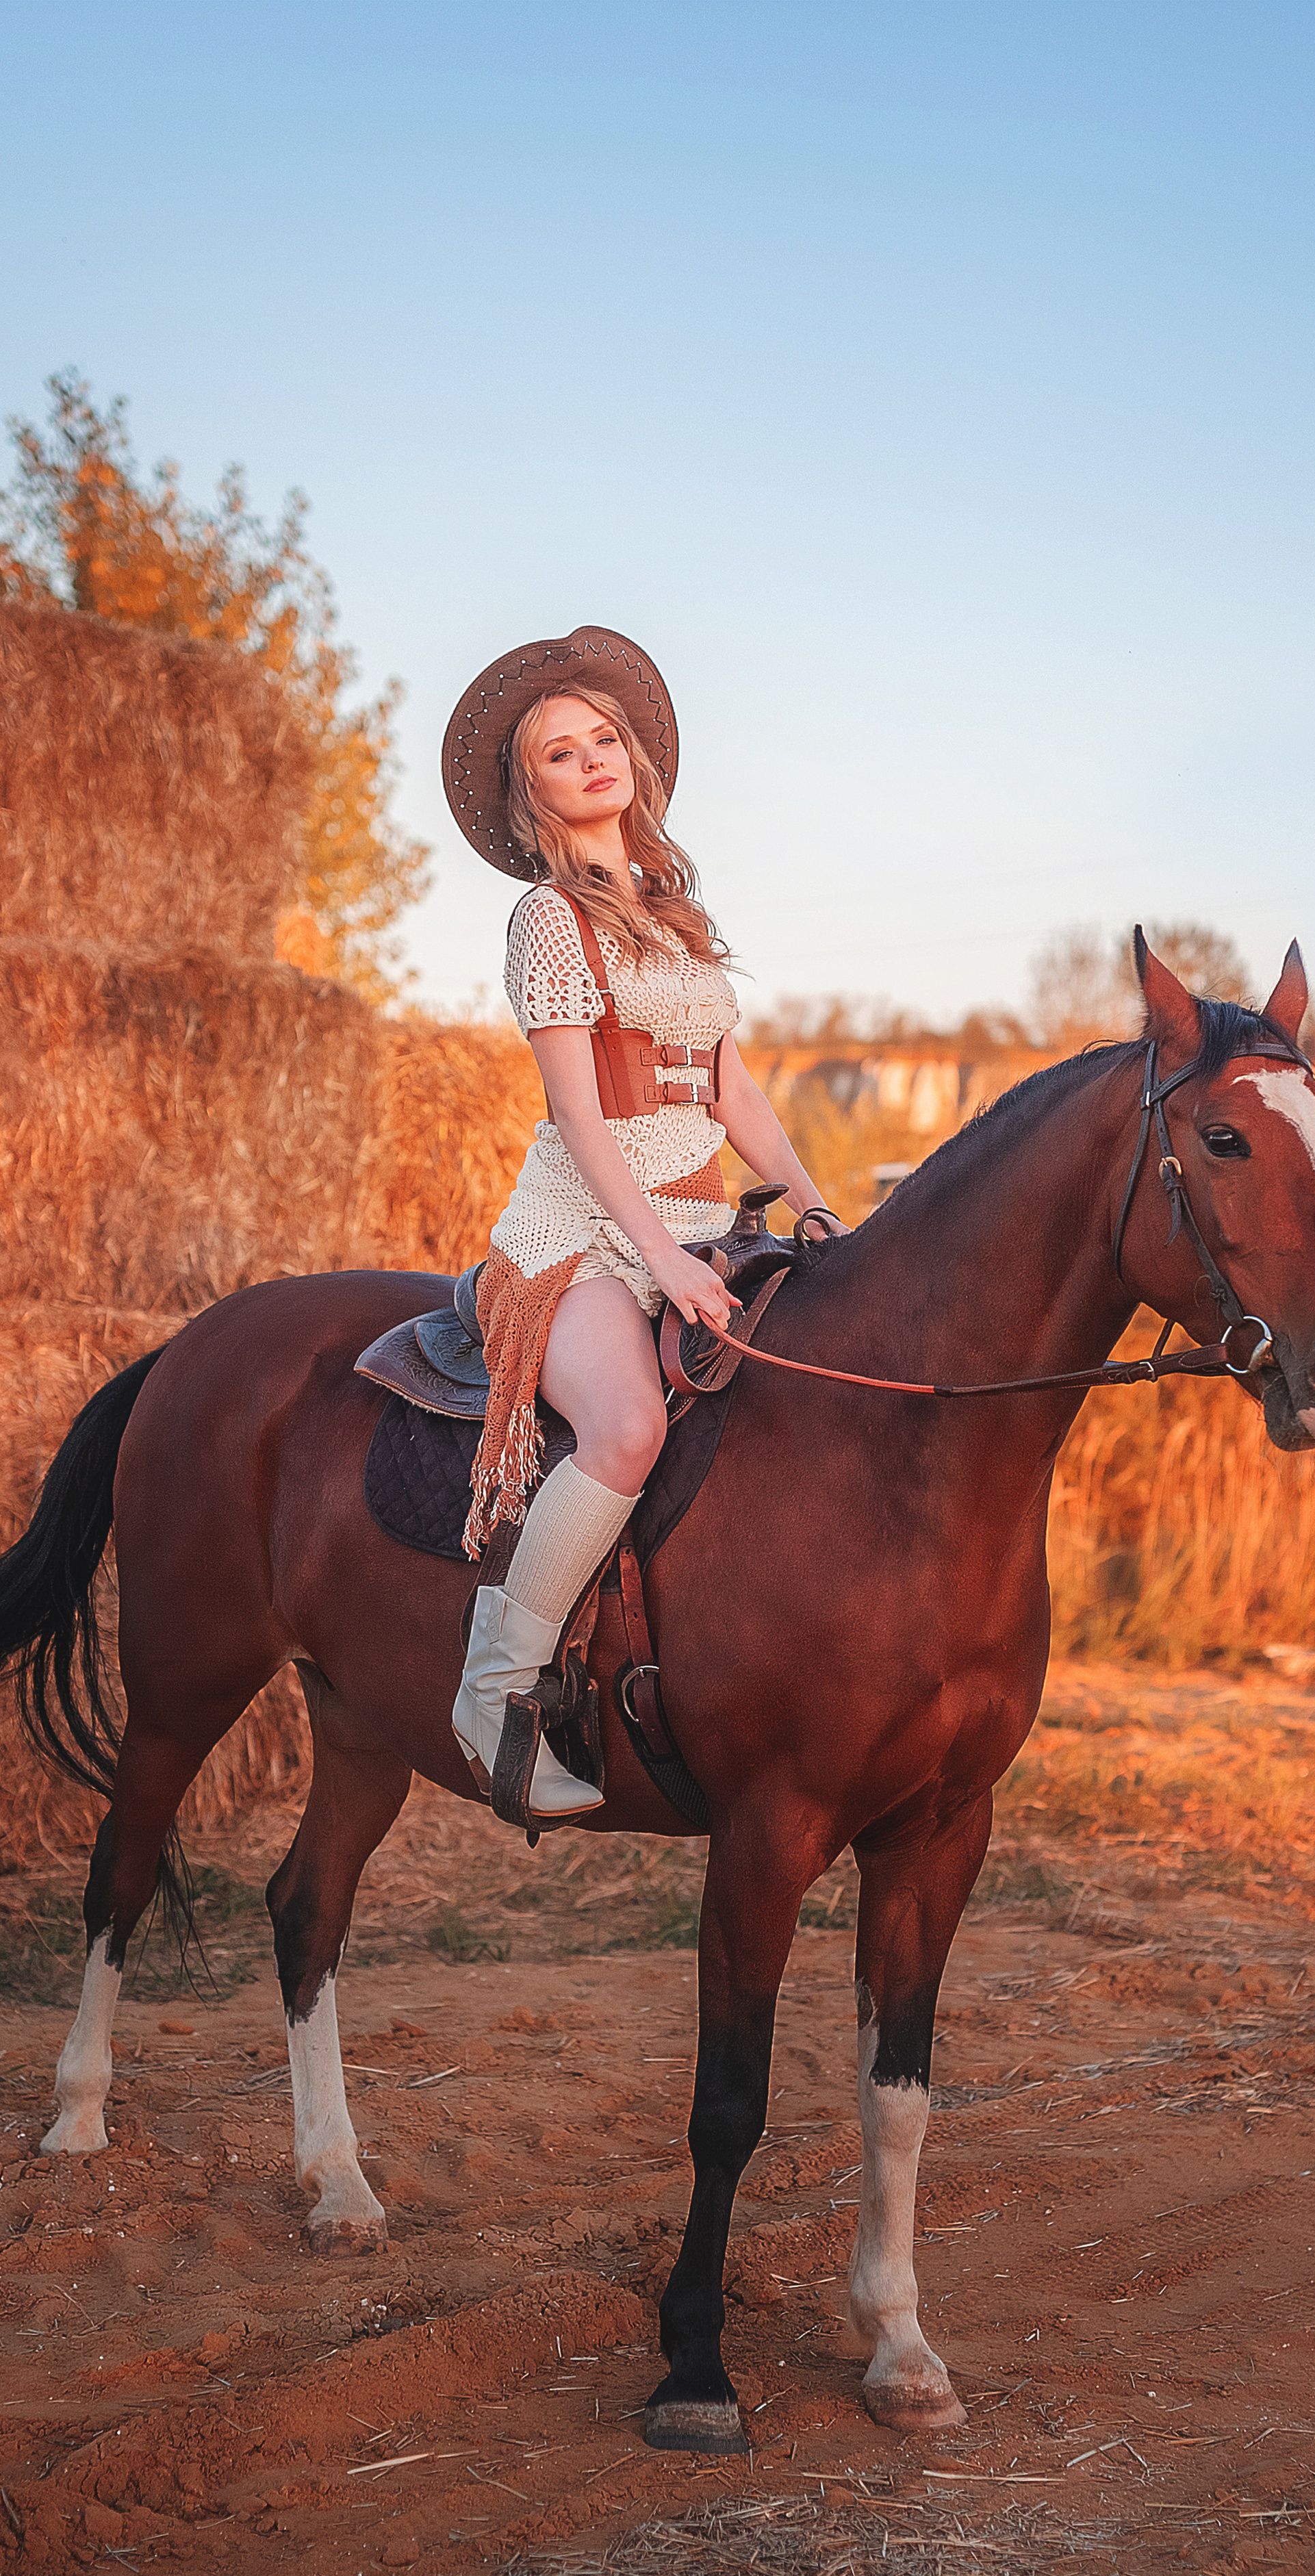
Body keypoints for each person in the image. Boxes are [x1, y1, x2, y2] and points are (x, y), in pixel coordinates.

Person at [440, 626, 843, 1819]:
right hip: (581, 1234)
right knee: (622, 1430)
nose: (593, 761)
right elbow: (577, 1113)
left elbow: (730, 1086)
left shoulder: (673, 908)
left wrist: (815, 1198)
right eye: (562, 754)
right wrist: (661, 1254)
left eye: (605, 740)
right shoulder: (548, 923)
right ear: (534, 794)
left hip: (699, 1217)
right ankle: (495, 1682)